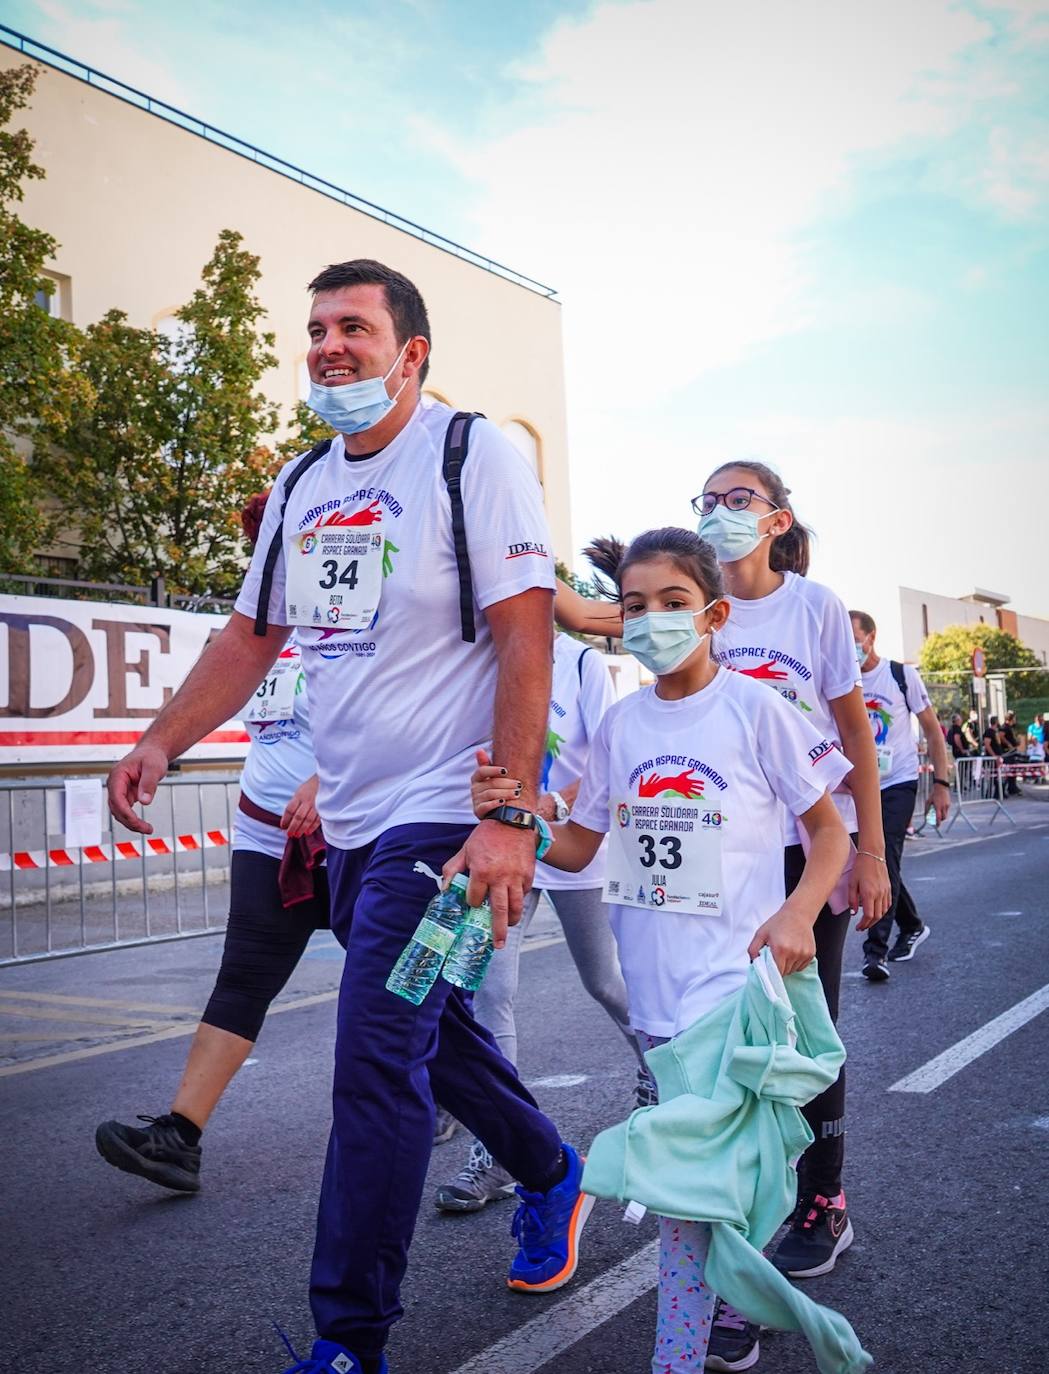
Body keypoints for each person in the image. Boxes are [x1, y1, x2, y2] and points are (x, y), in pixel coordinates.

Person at [106, 260, 589, 1374]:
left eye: (353, 329)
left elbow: (526, 632)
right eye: (316, 328)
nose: (327, 346)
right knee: (431, 1035)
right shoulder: (300, 485)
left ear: (410, 353)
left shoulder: (472, 456)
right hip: (346, 827)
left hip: (443, 819)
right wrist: (161, 738)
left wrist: (512, 810)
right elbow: (248, 638)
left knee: (374, 1058)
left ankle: (347, 1342)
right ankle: (550, 1169)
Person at [445, 526, 854, 1374]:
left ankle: (686, 1349)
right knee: (703, 1187)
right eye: (634, 606)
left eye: (672, 604)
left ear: (712, 616)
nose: (652, 620)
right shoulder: (622, 724)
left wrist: (796, 916)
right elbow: (581, 845)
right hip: (655, 996)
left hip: (728, 987)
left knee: (683, 1193)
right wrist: (515, 811)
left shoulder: (756, 710)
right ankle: (739, 1307)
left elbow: (827, 834)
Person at [691, 461, 890, 1371]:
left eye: (739, 499)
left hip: (814, 842)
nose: (720, 512)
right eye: (707, 499)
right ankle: (741, 1204)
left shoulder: (813, 607)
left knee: (806, 1031)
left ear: (777, 519)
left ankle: (824, 1203)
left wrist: (871, 851)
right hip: (726, 846)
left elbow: (853, 733)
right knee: (731, 1028)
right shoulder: (697, 607)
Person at [95, 493, 327, 1193]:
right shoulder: (257, 634)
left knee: (410, 990)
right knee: (243, 976)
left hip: (360, 828)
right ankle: (180, 1137)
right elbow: (229, 699)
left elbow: (406, 714)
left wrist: (332, 781)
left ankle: (477, 1115)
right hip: (267, 836)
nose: (268, 558)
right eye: (261, 547)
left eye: (279, 544)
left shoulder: (354, 622)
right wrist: (158, 746)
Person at [435, 630, 643, 1213]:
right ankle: (498, 1151)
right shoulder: (480, 651)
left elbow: (609, 760)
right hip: (501, 850)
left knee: (604, 981)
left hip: (570, 846)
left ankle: (664, 1076)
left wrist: (548, 805)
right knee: (486, 993)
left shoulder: (580, 663)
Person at [850, 611, 950, 979]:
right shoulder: (842, 678)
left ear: (871, 638)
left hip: (898, 782)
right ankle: (911, 924)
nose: (850, 648)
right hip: (859, 787)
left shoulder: (899, 675)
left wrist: (941, 785)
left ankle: (875, 953)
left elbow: (933, 731)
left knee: (882, 853)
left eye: (855, 640)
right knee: (880, 860)